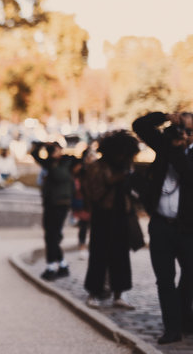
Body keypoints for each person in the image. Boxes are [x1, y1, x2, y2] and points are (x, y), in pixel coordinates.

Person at [133, 111, 193, 350]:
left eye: (188, 130)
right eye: (180, 129)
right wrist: (166, 117)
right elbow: (140, 125)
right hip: (161, 225)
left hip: (190, 228)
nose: (183, 134)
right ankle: (172, 329)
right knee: (164, 281)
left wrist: (178, 150)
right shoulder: (164, 146)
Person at [81, 130, 140, 310]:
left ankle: (120, 292)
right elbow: (93, 191)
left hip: (121, 213)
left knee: (121, 255)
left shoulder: (126, 166)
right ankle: (94, 291)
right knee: (99, 254)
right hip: (103, 214)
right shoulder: (97, 167)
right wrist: (115, 180)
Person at [31, 141, 76, 281]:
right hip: (50, 203)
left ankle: (52, 266)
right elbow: (34, 154)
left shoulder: (67, 162)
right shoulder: (50, 162)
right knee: (51, 235)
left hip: (61, 203)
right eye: (51, 151)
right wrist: (42, 145)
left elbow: (59, 175)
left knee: (52, 236)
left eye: (55, 150)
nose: (53, 153)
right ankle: (62, 265)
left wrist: (53, 161)